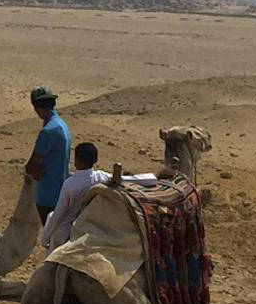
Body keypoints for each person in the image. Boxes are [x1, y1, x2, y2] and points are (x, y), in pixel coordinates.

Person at [40, 142, 158, 251]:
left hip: (69, 229)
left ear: (76, 161)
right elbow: (143, 179)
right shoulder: (101, 177)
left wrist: (45, 239)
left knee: (52, 220)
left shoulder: (70, 184)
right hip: (94, 226)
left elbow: (60, 213)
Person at [25, 86, 72, 224]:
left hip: (48, 196)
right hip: (61, 192)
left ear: (36, 107)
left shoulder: (48, 132)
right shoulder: (62, 125)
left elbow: (32, 165)